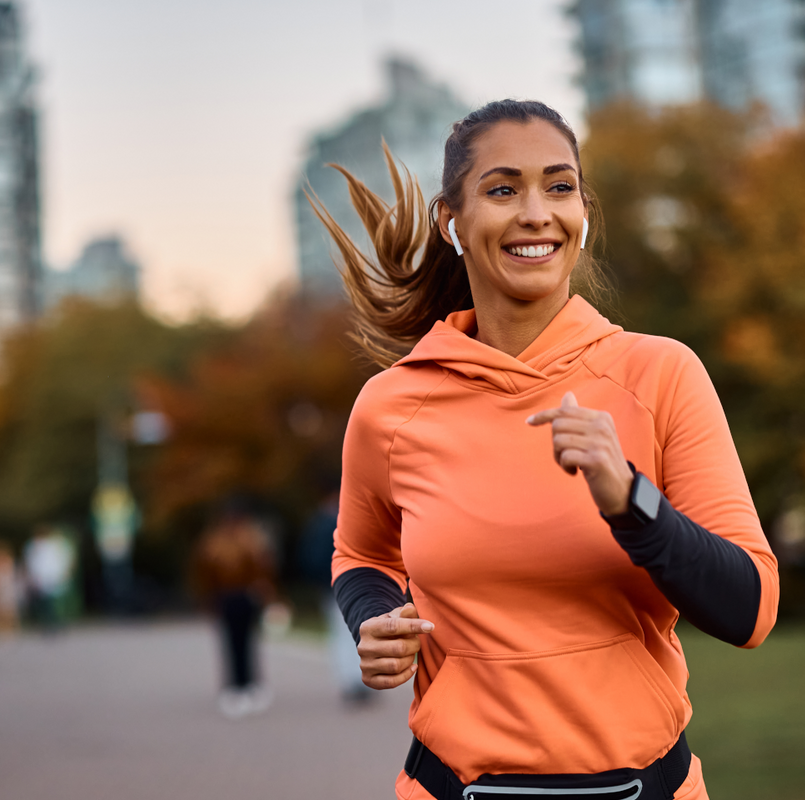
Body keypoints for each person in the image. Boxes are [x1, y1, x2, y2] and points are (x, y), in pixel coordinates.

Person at [316, 100, 779, 800]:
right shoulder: (392, 405)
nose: (536, 212)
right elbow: (362, 553)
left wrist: (632, 502)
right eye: (503, 190)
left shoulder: (661, 374)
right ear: (453, 221)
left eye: (559, 187)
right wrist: (375, 617)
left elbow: (750, 608)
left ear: (583, 213)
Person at [190, 502, 276, 719]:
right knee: (237, 642)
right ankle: (240, 685)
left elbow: (263, 570)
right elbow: (205, 573)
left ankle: (245, 684)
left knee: (242, 642)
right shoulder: (238, 541)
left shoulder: (225, 541)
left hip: (238, 597)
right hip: (231, 597)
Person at [297, 491, 371, 705]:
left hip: (336, 585)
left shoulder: (320, 524)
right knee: (348, 634)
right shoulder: (332, 524)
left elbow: (309, 558)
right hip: (342, 584)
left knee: (344, 634)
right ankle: (354, 680)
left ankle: (353, 680)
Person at [23, 526, 74, 634]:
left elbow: (62, 559)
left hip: (53, 576)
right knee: (45, 602)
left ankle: (56, 622)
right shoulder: (32, 546)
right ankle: (48, 623)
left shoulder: (54, 545)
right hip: (41, 577)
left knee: (54, 601)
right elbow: (32, 563)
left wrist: (63, 572)